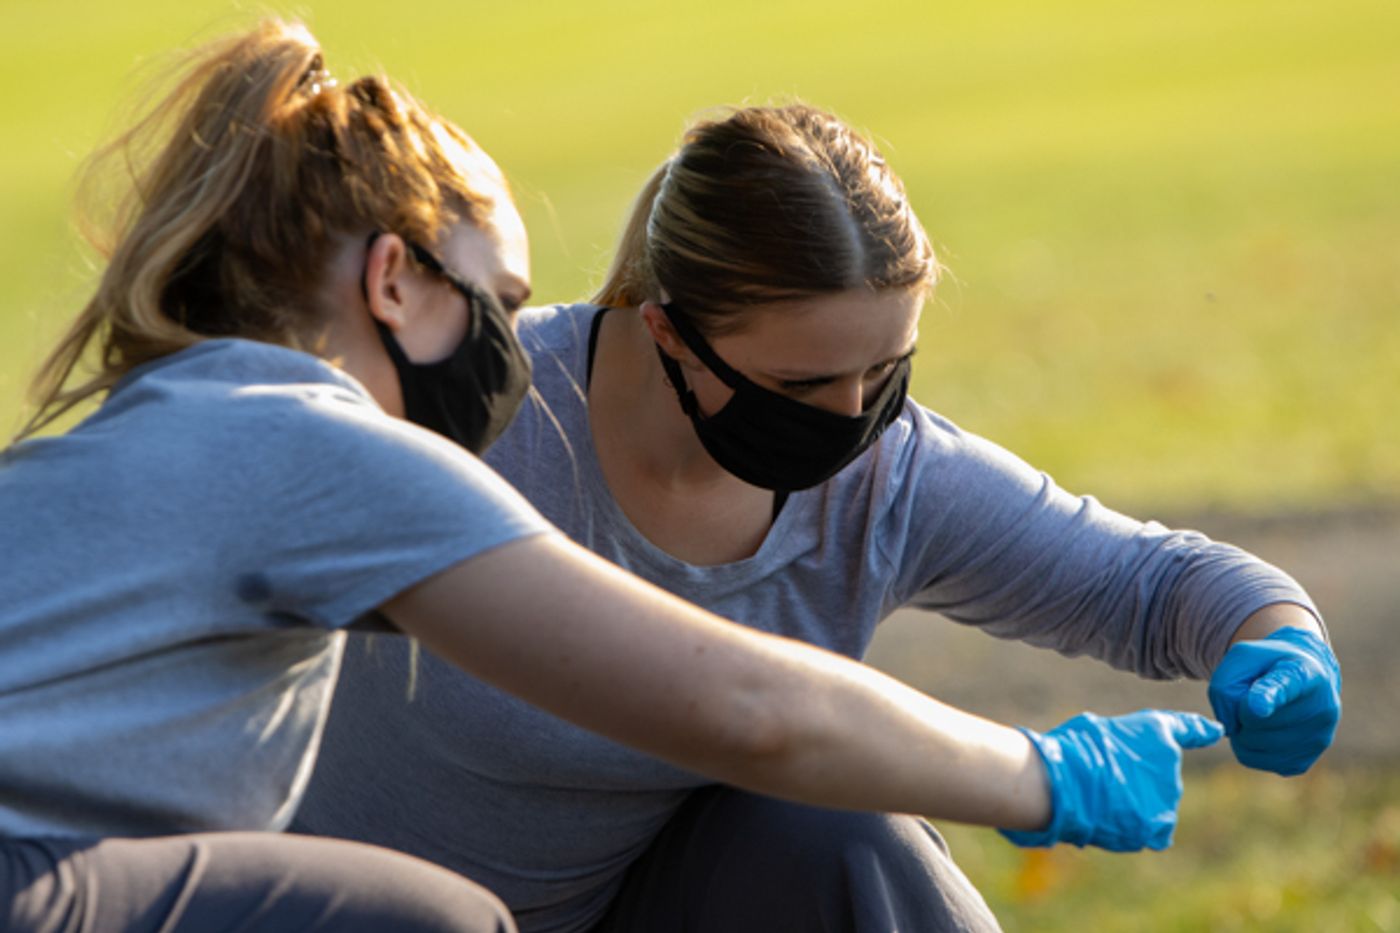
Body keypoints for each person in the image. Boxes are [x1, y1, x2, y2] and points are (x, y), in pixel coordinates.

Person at [0, 23, 1261, 933]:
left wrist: (1263, 625)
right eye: (492, 306)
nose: (507, 357)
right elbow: (743, 710)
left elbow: (1135, 581)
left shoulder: (181, 411)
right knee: (421, 922)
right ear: (393, 282)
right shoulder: (324, 445)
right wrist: (1045, 778)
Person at [295, 104, 1344, 932]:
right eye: (798, 385)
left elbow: (1152, 584)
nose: (849, 421)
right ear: (664, 332)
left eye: (884, 372)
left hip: (635, 912)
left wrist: (1277, 636)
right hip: (333, 915)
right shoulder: (475, 415)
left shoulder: (885, 476)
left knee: (839, 840)